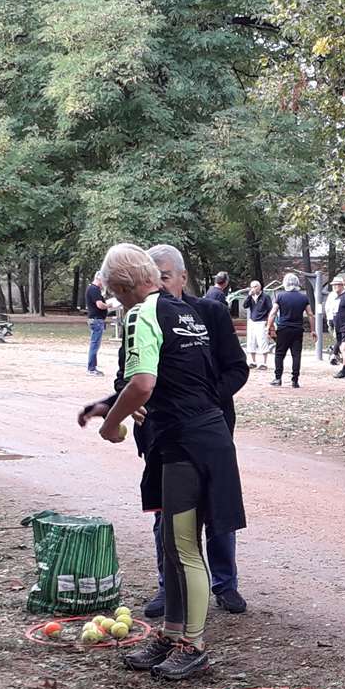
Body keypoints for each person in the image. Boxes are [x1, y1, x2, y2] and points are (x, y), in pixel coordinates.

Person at [78, 245, 245, 680]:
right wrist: (111, 405)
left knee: (184, 546)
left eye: (113, 290)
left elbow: (143, 384)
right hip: (198, 437)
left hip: (186, 441)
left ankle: (192, 643)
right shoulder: (181, 310)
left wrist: (111, 424)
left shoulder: (140, 315)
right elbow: (176, 375)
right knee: (173, 542)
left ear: (119, 286)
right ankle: (170, 635)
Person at [140, 245, 250, 616]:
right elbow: (133, 374)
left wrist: (202, 402)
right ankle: (168, 587)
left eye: (165, 277)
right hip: (163, 432)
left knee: (216, 507)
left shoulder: (210, 312)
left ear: (183, 278)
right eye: (152, 278)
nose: (158, 285)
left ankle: (225, 584)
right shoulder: (143, 316)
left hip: (208, 427)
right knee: (166, 514)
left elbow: (237, 369)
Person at [269, 273, 312, 387]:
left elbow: (273, 313)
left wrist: (269, 327)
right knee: (296, 355)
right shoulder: (303, 297)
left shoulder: (280, 296)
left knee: (279, 354)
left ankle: (278, 378)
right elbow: (310, 314)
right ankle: (295, 380)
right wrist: (313, 330)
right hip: (297, 329)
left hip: (283, 328)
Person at [84, 271, 115, 375]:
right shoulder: (94, 289)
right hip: (96, 320)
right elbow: (100, 305)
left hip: (95, 319)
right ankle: (91, 368)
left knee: (94, 343)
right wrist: (109, 305)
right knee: (95, 344)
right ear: (99, 279)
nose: (104, 284)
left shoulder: (92, 289)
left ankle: (92, 367)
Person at [242, 279, 274, 371]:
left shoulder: (265, 297)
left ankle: (264, 362)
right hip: (252, 321)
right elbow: (245, 306)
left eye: (255, 286)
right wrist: (249, 296)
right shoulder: (251, 297)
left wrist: (268, 322)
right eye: (252, 287)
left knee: (262, 341)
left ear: (259, 287)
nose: (253, 288)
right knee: (251, 341)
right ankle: (253, 361)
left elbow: (270, 309)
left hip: (261, 321)